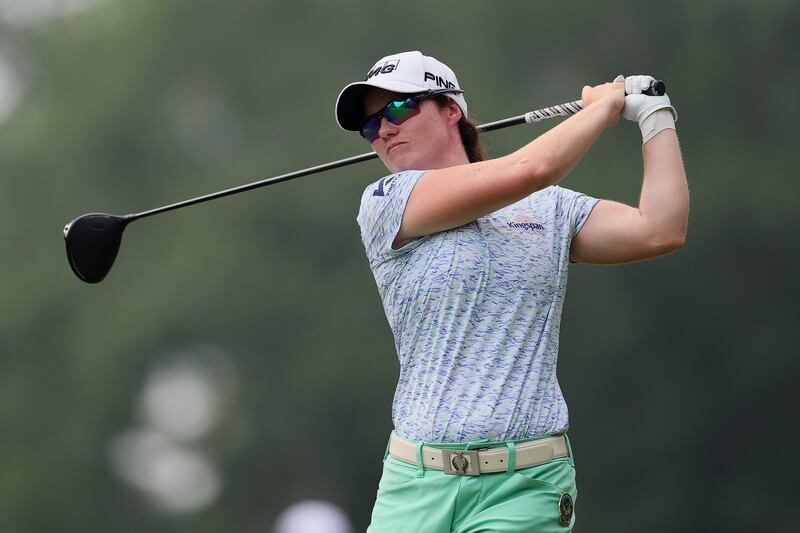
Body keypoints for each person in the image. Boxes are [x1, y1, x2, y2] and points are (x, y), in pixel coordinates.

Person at [335, 51, 688, 532]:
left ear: (450, 110)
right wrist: (599, 112)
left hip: (524, 486)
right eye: (370, 126)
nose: (384, 131)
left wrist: (654, 115)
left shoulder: (549, 209)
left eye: (397, 109)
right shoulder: (386, 203)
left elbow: (659, 229)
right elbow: (529, 168)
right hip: (413, 484)